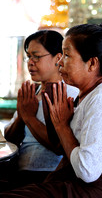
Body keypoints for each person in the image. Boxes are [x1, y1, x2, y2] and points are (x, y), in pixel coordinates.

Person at [0, 23, 102, 198]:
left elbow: (88, 171)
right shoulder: (84, 96)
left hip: (98, 188)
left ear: (92, 63)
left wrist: (62, 126)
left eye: (67, 55)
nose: (60, 62)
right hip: (76, 181)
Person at [1, 29, 79, 190]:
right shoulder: (31, 94)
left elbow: (59, 147)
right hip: (19, 171)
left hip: (48, 175)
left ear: (58, 58)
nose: (30, 62)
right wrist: (21, 117)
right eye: (29, 57)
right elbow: (9, 139)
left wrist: (29, 118)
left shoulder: (70, 94)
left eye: (36, 56)